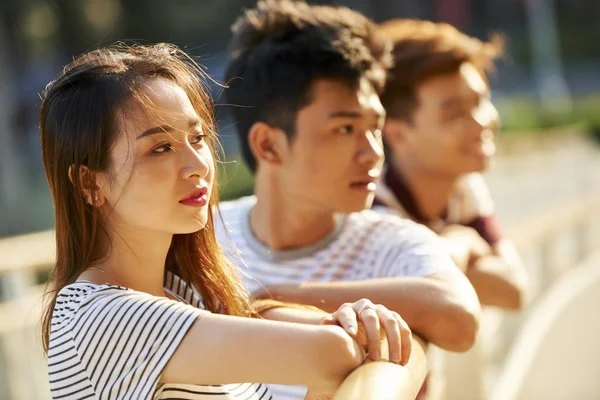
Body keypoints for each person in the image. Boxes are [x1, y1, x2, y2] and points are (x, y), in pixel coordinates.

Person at [39, 43, 411, 400]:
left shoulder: (186, 294)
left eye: (197, 138)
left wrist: (357, 321)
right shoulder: (97, 318)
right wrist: (347, 331)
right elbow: (333, 356)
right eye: (161, 148)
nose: (199, 166)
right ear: (89, 182)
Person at [217, 0, 480, 394]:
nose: (373, 152)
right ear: (268, 145)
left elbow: (458, 316)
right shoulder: (201, 237)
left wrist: (268, 299)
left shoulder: (390, 243)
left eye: (374, 127)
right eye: (344, 129)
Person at [374, 19, 527, 310]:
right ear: (397, 134)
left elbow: (515, 289)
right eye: (455, 113)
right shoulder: (373, 210)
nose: (481, 122)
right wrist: (464, 247)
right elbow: (422, 295)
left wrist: (460, 242)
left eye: (481, 100)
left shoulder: (462, 183)